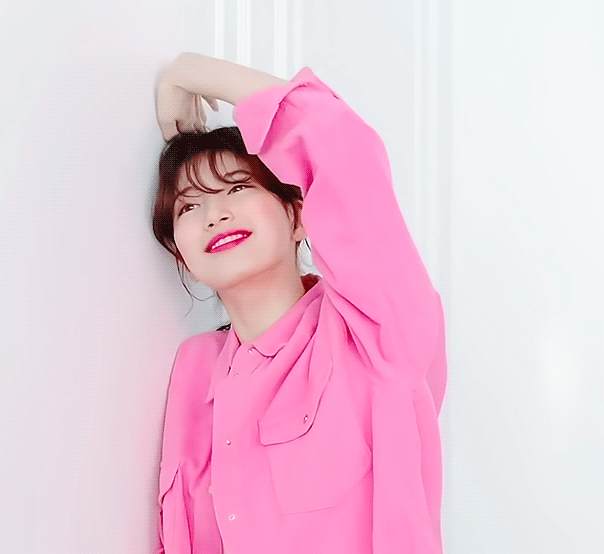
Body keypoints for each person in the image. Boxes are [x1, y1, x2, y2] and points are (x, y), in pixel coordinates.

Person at [151, 52, 448, 554]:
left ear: (297, 216)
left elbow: (339, 141)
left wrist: (190, 73)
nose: (214, 215)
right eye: (189, 206)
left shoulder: (374, 332)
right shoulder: (196, 371)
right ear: (182, 257)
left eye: (237, 188)